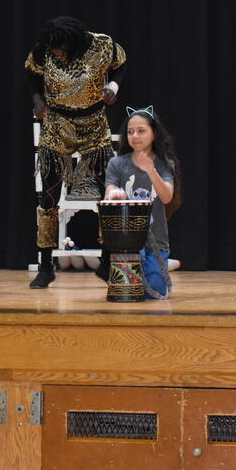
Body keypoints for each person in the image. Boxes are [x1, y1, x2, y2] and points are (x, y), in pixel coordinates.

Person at [26, 16, 126, 289]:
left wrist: (113, 86)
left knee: (108, 194)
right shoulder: (43, 49)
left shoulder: (102, 45)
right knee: (48, 199)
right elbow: (31, 73)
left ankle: (107, 261)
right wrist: (37, 100)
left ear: (75, 44)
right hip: (57, 123)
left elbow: (121, 65)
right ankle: (45, 266)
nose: (57, 54)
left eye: (61, 50)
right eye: (53, 51)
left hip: (94, 123)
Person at [104, 106, 181, 299]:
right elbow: (109, 191)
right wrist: (114, 194)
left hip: (156, 240)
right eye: (130, 132)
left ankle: (160, 264)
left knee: (154, 292)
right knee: (130, 291)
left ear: (154, 134)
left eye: (141, 131)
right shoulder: (117, 163)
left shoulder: (165, 164)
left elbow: (167, 197)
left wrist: (151, 170)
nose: (135, 136)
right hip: (127, 242)